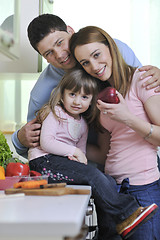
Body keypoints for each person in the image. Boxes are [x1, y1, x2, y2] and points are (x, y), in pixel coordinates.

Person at [28, 67, 158, 240]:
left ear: (91, 102)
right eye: (72, 94)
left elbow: (81, 151)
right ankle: (128, 212)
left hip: (63, 164)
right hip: (43, 162)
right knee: (93, 175)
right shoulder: (56, 112)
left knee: (108, 182)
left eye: (84, 97)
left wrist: (79, 161)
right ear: (62, 95)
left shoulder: (83, 124)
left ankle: (110, 232)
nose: (76, 101)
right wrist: (74, 152)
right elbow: (47, 142)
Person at [11, 14, 160, 161]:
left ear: (70, 31)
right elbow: (36, 149)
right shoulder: (42, 92)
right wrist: (19, 139)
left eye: (60, 42)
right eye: (49, 53)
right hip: (89, 164)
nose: (60, 55)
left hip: (141, 156)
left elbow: (145, 90)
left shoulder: (113, 50)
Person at [69, 25, 160, 240]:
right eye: (85, 62)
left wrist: (126, 116)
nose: (94, 66)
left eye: (96, 55)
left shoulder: (142, 78)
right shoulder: (100, 97)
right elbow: (103, 152)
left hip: (142, 189)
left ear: (110, 47)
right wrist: (62, 146)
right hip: (111, 191)